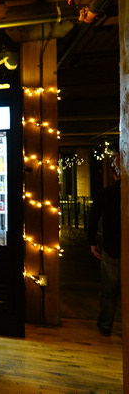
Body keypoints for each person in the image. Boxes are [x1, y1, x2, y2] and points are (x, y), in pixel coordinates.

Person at [87, 139, 121, 337]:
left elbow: (93, 219)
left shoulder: (105, 194)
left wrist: (92, 242)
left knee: (109, 291)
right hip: (114, 246)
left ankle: (106, 325)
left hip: (111, 247)